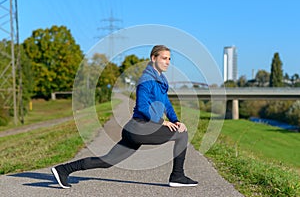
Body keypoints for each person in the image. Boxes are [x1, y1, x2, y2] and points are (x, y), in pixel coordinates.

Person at [51, 45, 198, 188]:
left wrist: (175, 120)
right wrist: (162, 122)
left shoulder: (161, 81)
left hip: (136, 130)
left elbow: (166, 104)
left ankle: (63, 170)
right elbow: (142, 107)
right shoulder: (146, 80)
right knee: (182, 135)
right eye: (164, 58)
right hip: (140, 128)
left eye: (169, 59)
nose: (168, 62)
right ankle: (177, 176)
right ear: (153, 58)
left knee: (107, 161)